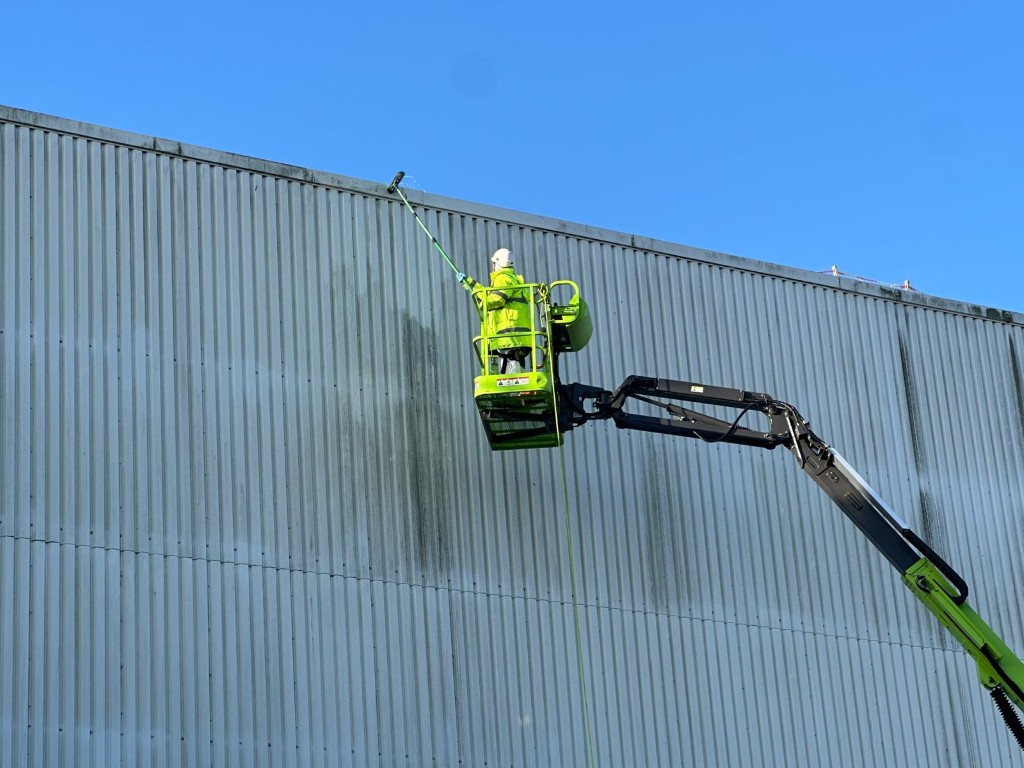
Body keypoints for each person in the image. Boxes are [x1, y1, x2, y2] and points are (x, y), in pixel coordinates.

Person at [457, 248, 534, 373]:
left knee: (511, 377)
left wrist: (483, 304)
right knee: (513, 369)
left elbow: (497, 299)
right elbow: (490, 294)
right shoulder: (511, 278)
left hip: (510, 337)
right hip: (515, 337)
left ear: (498, 263)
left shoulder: (503, 278)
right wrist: (470, 283)